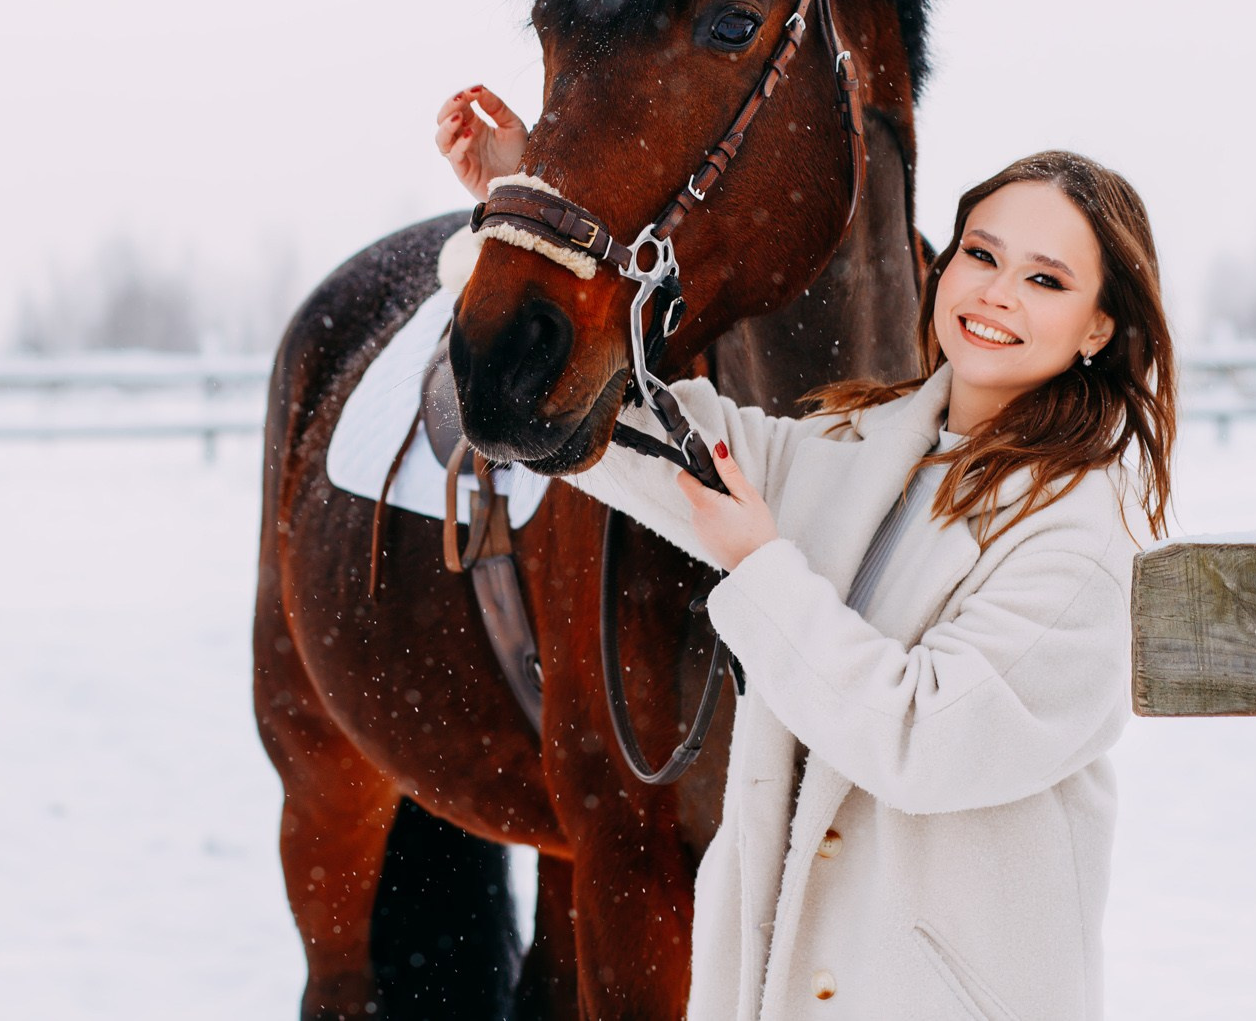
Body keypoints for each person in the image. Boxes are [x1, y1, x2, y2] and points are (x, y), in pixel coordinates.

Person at [437, 87, 1176, 1021]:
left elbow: (923, 738)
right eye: (979, 255)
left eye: (1046, 279)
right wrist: (526, 227)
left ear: (1101, 327)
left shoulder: (1082, 532)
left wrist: (763, 570)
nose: (995, 292)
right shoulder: (854, 447)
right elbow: (624, 432)